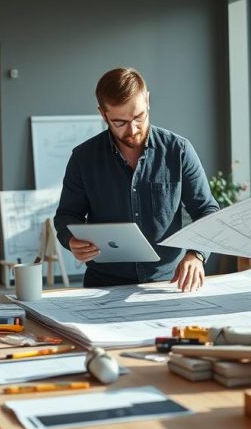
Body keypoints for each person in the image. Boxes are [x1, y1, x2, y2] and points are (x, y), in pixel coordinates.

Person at [54, 67, 220, 291]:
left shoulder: (178, 151)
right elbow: (66, 215)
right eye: (120, 122)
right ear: (103, 114)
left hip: (169, 283)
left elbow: (207, 210)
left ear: (147, 100)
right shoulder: (83, 158)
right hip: (103, 285)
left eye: (139, 117)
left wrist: (197, 254)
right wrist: (71, 240)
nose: (132, 129)